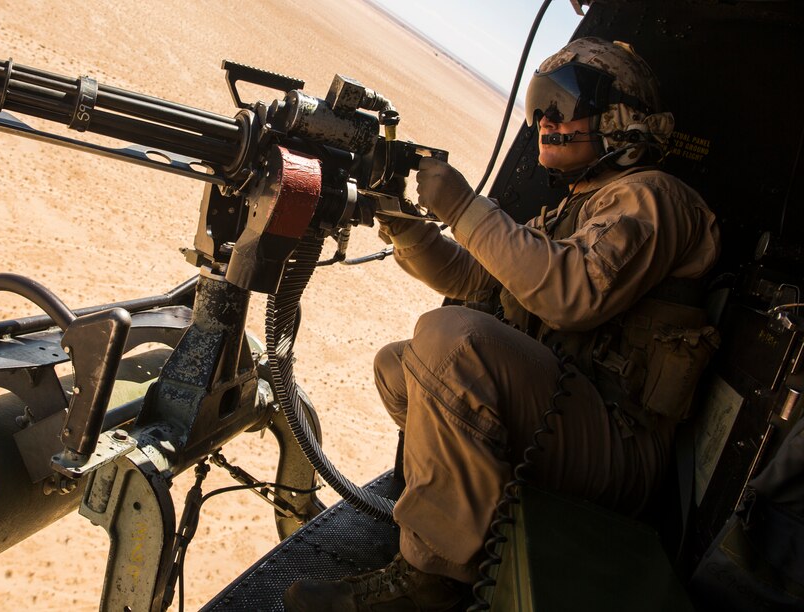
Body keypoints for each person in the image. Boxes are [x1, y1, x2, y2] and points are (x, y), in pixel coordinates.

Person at [284, 37, 720, 611]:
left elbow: (573, 296)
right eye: (537, 106)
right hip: (569, 415)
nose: (542, 121)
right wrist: (404, 221)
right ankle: (460, 527)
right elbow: (478, 280)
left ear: (618, 124)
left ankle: (429, 583)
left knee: (451, 343)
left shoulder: (652, 200)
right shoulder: (578, 205)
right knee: (398, 367)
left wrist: (465, 208)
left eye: (560, 107)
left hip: (619, 444)